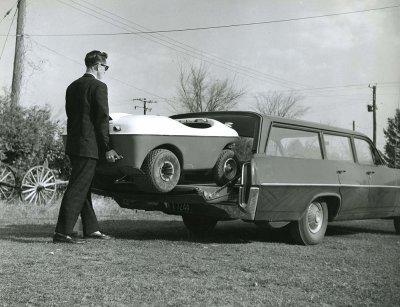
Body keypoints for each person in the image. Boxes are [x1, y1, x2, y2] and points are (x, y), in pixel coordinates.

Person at [53, 50, 121, 244]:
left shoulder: (72, 87)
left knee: (84, 187)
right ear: (98, 66)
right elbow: (100, 119)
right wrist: (108, 147)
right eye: (105, 67)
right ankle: (62, 232)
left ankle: (92, 229)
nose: (105, 71)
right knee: (77, 188)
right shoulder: (99, 86)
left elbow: (75, 115)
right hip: (88, 146)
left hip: (74, 144)